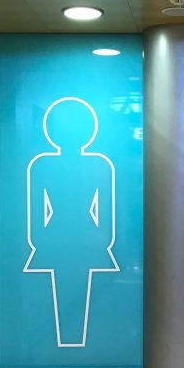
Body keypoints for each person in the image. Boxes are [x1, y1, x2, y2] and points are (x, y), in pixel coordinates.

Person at [24, 97, 118, 347]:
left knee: (78, 297)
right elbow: (36, 214)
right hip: (71, 239)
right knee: (67, 297)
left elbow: (105, 213)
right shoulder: (44, 165)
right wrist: (100, 239)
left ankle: (70, 341)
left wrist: (102, 240)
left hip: (69, 239)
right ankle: (67, 341)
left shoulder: (96, 164)